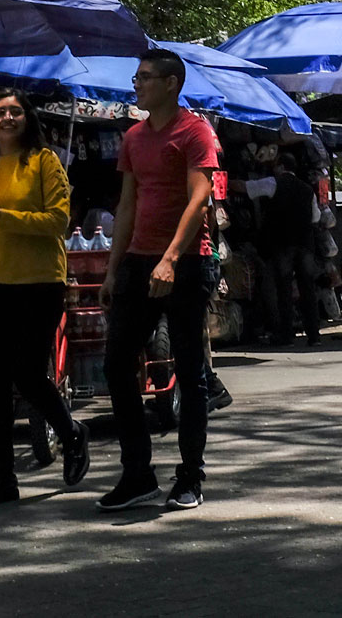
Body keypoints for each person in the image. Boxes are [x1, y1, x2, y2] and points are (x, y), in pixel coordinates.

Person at [0, 89, 89, 507]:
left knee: (28, 373)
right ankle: (4, 476)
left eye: (15, 112)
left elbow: (58, 221)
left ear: (27, 118)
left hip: (39, 281)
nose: (7, 118)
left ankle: (70, 434)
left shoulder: (44, 162)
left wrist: (1, 215)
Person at [99, 48, 221, 512]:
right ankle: (137, 475)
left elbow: (200, 200)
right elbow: (127, 206)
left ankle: (190, 475)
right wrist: (114, 269)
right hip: (137, 260)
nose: (137, 84)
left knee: (189, 373)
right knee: (116, 364)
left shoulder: (196, 132)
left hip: (188, 262)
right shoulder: (133, 137)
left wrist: (170, 258)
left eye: (146, 77)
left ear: (172, 83)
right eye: (137, 77)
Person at [253, 151, 324, 347]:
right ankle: (314, 335)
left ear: (281, 166)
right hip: (305, 244)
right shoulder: (308, 190)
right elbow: (316, 218)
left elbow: (249, 188)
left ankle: (287, 335)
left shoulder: (273, 183)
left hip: (283, 243)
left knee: (283, 289)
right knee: (307, 288)